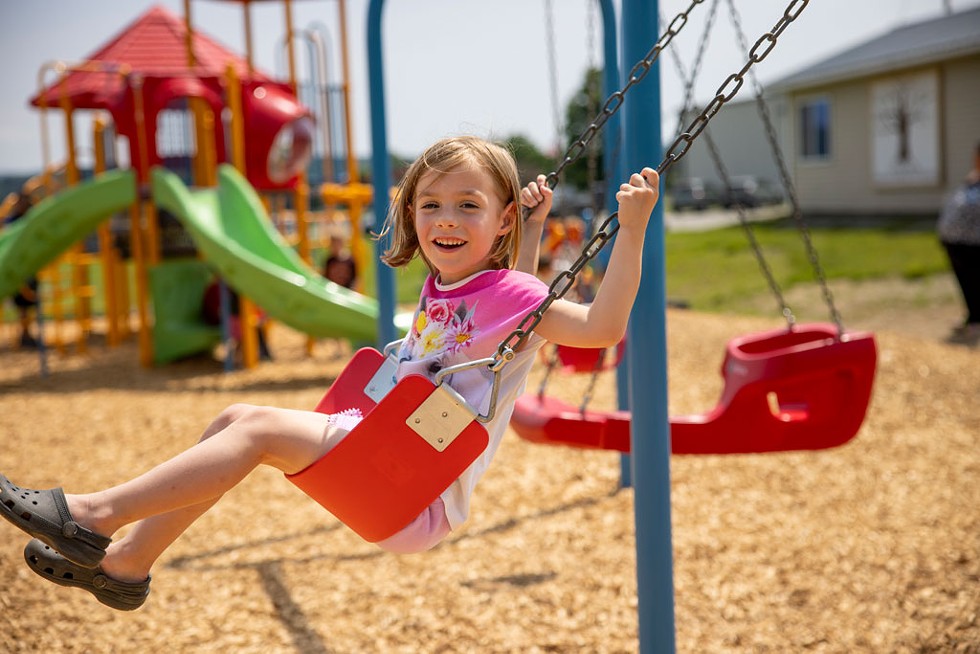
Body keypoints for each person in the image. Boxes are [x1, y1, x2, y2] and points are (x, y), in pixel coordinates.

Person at [0, 135, 659, 611]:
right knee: (234, 418)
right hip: (382, 457)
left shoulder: (506, 297)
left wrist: (630, 230)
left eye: (468, 205)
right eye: (430, 205)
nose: (446, 220)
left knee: (254, 427)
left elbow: (596, 327)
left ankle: (91, 513)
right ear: (410, 216)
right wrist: (533, 230)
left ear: (501, 218)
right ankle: (125, 566)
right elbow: (513, 302)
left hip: (413, 488)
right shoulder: (449, 286)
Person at [937, 142, 980, 345]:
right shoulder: (972, 178)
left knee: (974, 281)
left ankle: (977, 319)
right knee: (966, 282)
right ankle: (972, 315)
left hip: (974, 243)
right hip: (956, 242)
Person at [4, 191, 39, 348]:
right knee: (22, 305)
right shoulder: (12, 221)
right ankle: (24, 335)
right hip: (16, 269)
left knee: (29, 304)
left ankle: (26, 334)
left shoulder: (31, 219)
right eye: (20, 202)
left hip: (28, 267)